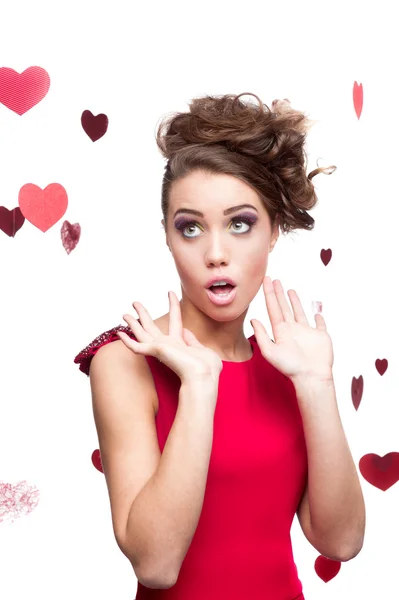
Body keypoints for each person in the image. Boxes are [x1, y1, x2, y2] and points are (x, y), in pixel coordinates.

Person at [74, 93, 366, 600]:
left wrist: (317, 386)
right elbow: (157, 564)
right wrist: (200, 387)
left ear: (274, 230)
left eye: (240, 223)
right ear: (167, 237)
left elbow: (340, 541)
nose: (215, 253)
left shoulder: (288, 363)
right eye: (190, 228)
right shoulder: (125, 360)